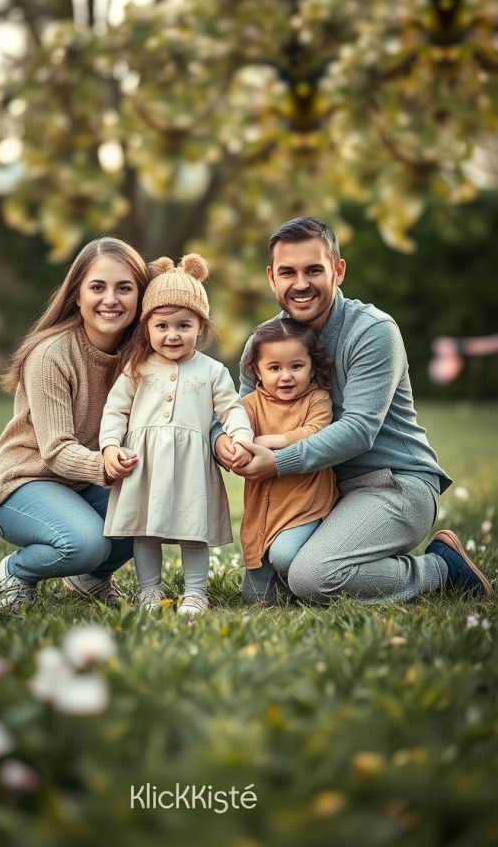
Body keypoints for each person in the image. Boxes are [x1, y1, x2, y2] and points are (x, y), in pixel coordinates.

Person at [215, 216, 491, 605]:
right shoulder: (265, 343)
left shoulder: (373, 331)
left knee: (314, 578)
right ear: (271, 278)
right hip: (314, 495)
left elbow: (360, 429)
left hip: (393, 484)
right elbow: (236, 412)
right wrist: (224, 444)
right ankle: (347, 558)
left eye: (314, 270)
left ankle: (442, 569)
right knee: (279, 587)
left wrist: (277, 462)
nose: (300, 283)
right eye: (287, 272)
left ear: (338, 271)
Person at [0, 236, 150, 609]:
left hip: (81, 483)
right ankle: (14, 571)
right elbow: (55, 451)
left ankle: (90, 578)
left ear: (140, 296)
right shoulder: (52, 354)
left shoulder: (139, 356)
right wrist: (105, 464)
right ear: (77, 295)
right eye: (97, 287)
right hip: (24, 481)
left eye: (124, 288)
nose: (111, 299)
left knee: (149, 513)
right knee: (85, 543)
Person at [99, 254, 254, 617]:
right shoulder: (136, 368)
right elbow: (115, 411)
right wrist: (109, 447)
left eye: (183, 326)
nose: (172, 335)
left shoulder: (213, 370)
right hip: (143, 463)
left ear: (200, 328)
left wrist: (241, 436)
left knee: (192, 530)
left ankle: (196, 592)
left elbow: (231, 408)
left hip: (190, 465)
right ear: (147, 327)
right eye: (162, 326)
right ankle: (149, 591)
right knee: (145, 531)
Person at [239, 317, 338, 602]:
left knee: (283, 555)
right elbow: (232, 431)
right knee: (256, 600)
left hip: (305, 505)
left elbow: (315, 432)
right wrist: (235, 446)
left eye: (296, 366)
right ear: (257, 371)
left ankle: (300, 569)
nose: (286, 376)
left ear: (311, 367)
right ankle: (283, 583)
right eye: (274, 368)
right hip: (264, 510)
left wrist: (268, 441)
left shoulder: (316, 399)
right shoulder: (249, 406)